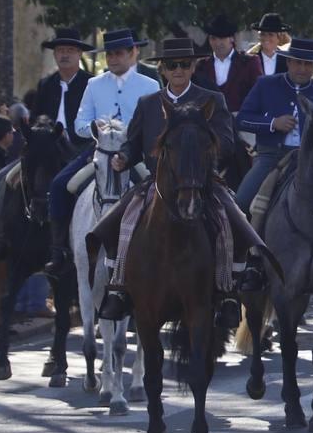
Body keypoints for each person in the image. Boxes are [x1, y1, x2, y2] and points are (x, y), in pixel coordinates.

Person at [91, 37, 245, 320]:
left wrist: (203, 153)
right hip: (157, 182)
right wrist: (123, 157)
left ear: (193, 66)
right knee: (121, 221)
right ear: (162, 69)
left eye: (184, 64)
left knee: (232, 219)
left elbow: (227, 142)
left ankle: (229, 290)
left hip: (202, 182)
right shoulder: (148, 103)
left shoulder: (211, 100)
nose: (178, 70)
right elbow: (134, 142)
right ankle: (118, 286)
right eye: (172, 65)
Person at [40, 29, 160, 275]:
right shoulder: (94, 84)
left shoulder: (150, 84)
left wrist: (127, 134)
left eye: (118, 54)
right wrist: (97, 129)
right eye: (110, 54)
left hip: (134, 153)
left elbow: (155, 124)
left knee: (155, 188)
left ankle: (159, 246)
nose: (113, 59)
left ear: (132, 53)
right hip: (98, 150)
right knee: (60, 184)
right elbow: (79, 124)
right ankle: (59, 250)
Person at [235, 38, 313, 214]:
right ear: (288, 62)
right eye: (298, 62)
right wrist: (273, 123)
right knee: (241, 202)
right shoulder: (266, 85)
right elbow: (242, 119)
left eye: (308, 64)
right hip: (271, 157)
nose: (303, 69)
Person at [33, 28, 93, 142]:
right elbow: (35, 117)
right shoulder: (46, 84)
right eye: (60, 50)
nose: (65, 55)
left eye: (70, 50)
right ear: (55, 54)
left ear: (79, 53)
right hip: (50, 147)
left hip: (83, 148)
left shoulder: (92, 83)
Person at [192, 14, 261, 114]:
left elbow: (258, 94)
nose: (217, 43)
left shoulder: (249, 63)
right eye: (213, 38)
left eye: (222, 38)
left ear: (231, 38)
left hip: (241, 120)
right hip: (209, 123)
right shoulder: (201, 66)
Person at [250, 13, 289, 77]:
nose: (266, 38)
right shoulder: (251, 60)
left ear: (279, 37)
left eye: (271, 34)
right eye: (263, 34)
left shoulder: (287, 61)